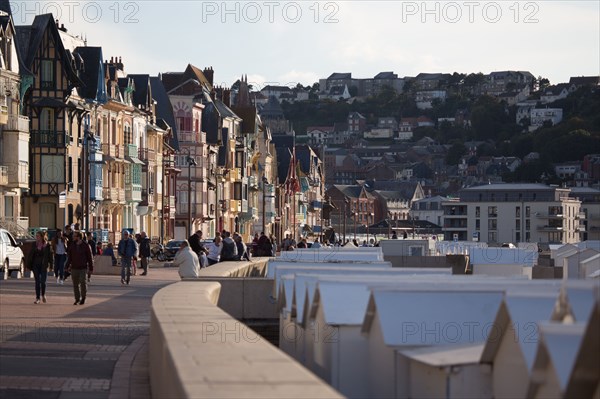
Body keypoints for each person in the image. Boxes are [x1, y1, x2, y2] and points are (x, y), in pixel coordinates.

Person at [65, 231, 93, 305]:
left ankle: (83, 297)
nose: (73, 237)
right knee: (75, 284)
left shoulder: (86, 245)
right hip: (74, 267)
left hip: (83, 268)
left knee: (83, 283)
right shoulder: (72, 245)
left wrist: (91, 268)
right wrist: (66, 266)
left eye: (74, 236)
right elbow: (69, 257)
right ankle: (77, 299)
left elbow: (90, 258)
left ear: (79, 237)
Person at [26, 231, 53, 304]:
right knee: (37, 282)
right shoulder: (34, 244)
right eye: (36, 236)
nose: (36, 237)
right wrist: (28, 266)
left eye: (38, 236)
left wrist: (51, 266)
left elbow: (51, 256)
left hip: (44, 266)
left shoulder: (47, 245)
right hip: (36, 265)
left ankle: (43, 294)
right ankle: (37, 298)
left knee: (43, 282)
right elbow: (30, 255)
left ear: (41, 237)